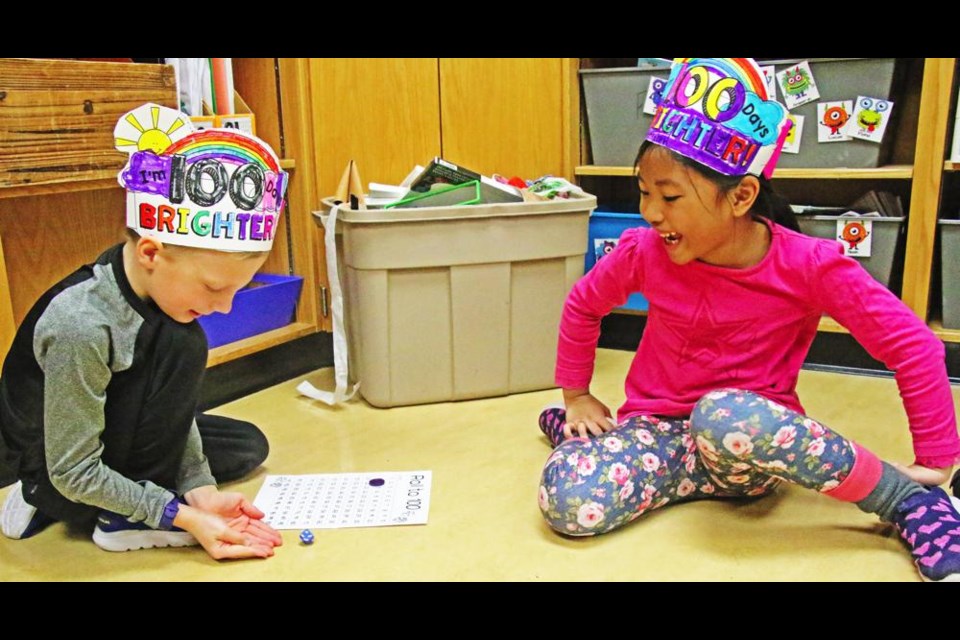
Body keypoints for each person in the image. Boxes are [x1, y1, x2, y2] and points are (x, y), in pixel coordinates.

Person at [536, 58, 960, 582]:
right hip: (659, 433)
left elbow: (913, 344)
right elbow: (583, 305)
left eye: (669, 197)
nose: (650, 212)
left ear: (741, 196)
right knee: (569, 503)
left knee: (723, 415)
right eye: (645, 192)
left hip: (750, 448)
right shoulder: (644, 251)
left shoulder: (810, 264)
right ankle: (596, 436)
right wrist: (576, 395)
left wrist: (937, 459)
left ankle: (909, 502)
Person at [0, 103, 285, 560]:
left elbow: (172, 414)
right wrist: (181, 515)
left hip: (113, 425)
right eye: (214, 287)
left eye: (237, 289)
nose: (225, 306)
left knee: (246, 444)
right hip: (57, 466)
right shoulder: (82, 323)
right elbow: (73, 471)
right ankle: (101, 514)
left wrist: (200, 488)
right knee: (183, 342)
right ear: (151, 252)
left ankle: (134, 496)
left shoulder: (158, 295)